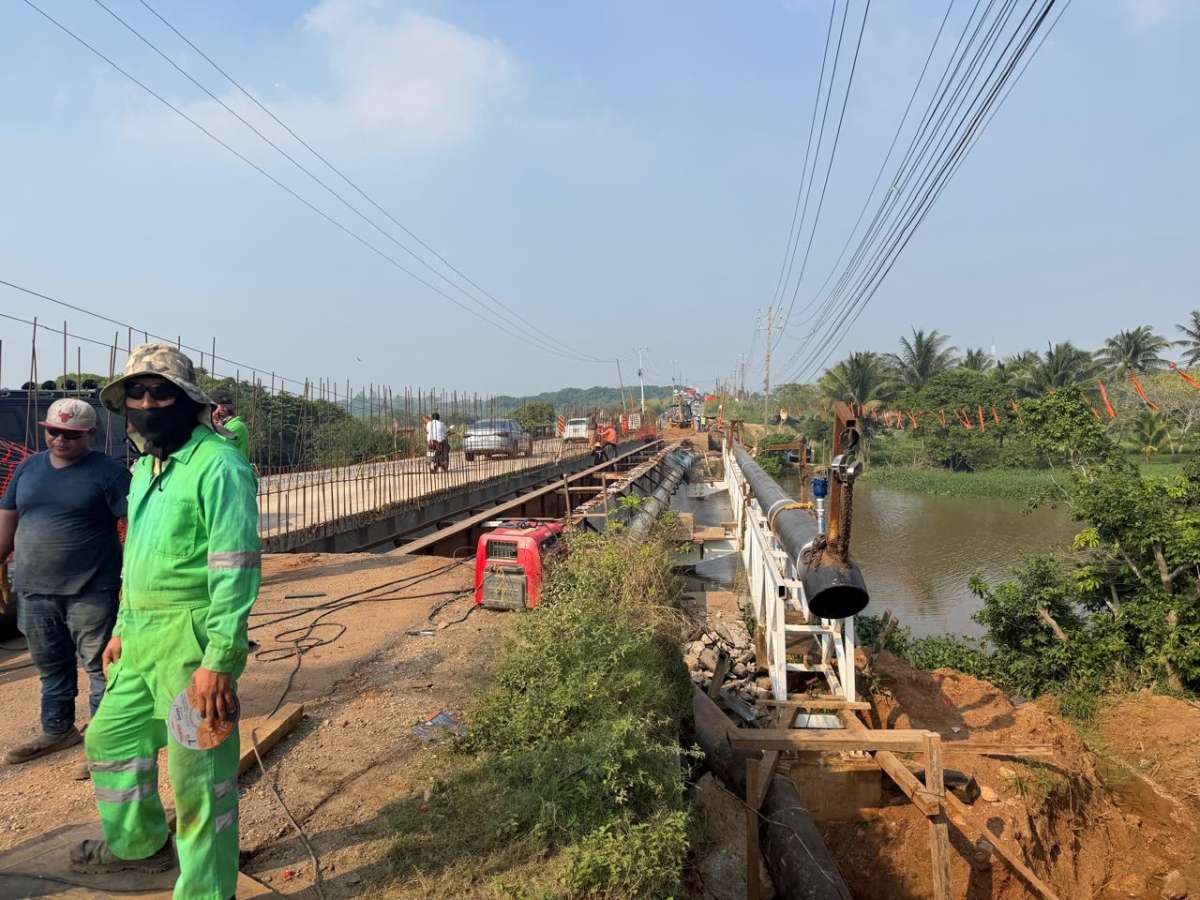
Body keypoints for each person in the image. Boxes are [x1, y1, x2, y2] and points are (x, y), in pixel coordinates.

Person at [72, 344, 260, 900]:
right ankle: (139, 845)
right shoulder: (145, 469)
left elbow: (235, 567)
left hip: (192, 643)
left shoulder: (218, 465)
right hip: (141, 641)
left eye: (161, 393)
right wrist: (123, 628)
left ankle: (206, 890)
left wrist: (220, 660)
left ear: (186, 401)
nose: (148, 403)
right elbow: (139, 559)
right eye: (137, 393)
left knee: (199, 781)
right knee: (110, 739)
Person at [0, 398, 131, 767]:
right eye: (54, 432)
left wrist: (134, 577)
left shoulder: (109, 473)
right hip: (35, 591)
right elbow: (7, 518)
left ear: (89, 434)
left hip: (90, 591)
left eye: (71, 435)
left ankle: (106, 743)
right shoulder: (28, 469)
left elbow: (137, 526)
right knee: (51, 667)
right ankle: (57, 729)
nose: (61, 440)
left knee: (102, 667)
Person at [209, 389, 249, 461]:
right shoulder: (224, 425)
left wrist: (211, 422)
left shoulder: (237, 426)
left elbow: (216, 445)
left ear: (221, 407)